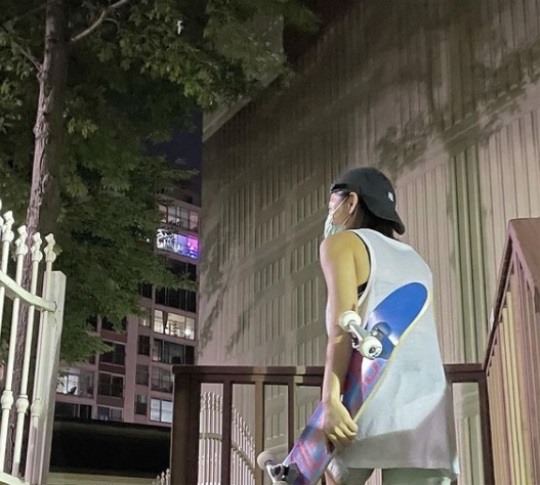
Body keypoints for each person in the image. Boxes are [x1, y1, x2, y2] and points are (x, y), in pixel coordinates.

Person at [318, 167, 459, 485]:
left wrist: (330, 400)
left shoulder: (341, 244)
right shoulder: (417, 260)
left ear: (351, 202)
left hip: (368, 399)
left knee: (332, 473)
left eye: (331, 205)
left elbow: (342, 328)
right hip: (426, 410)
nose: (330, 214)